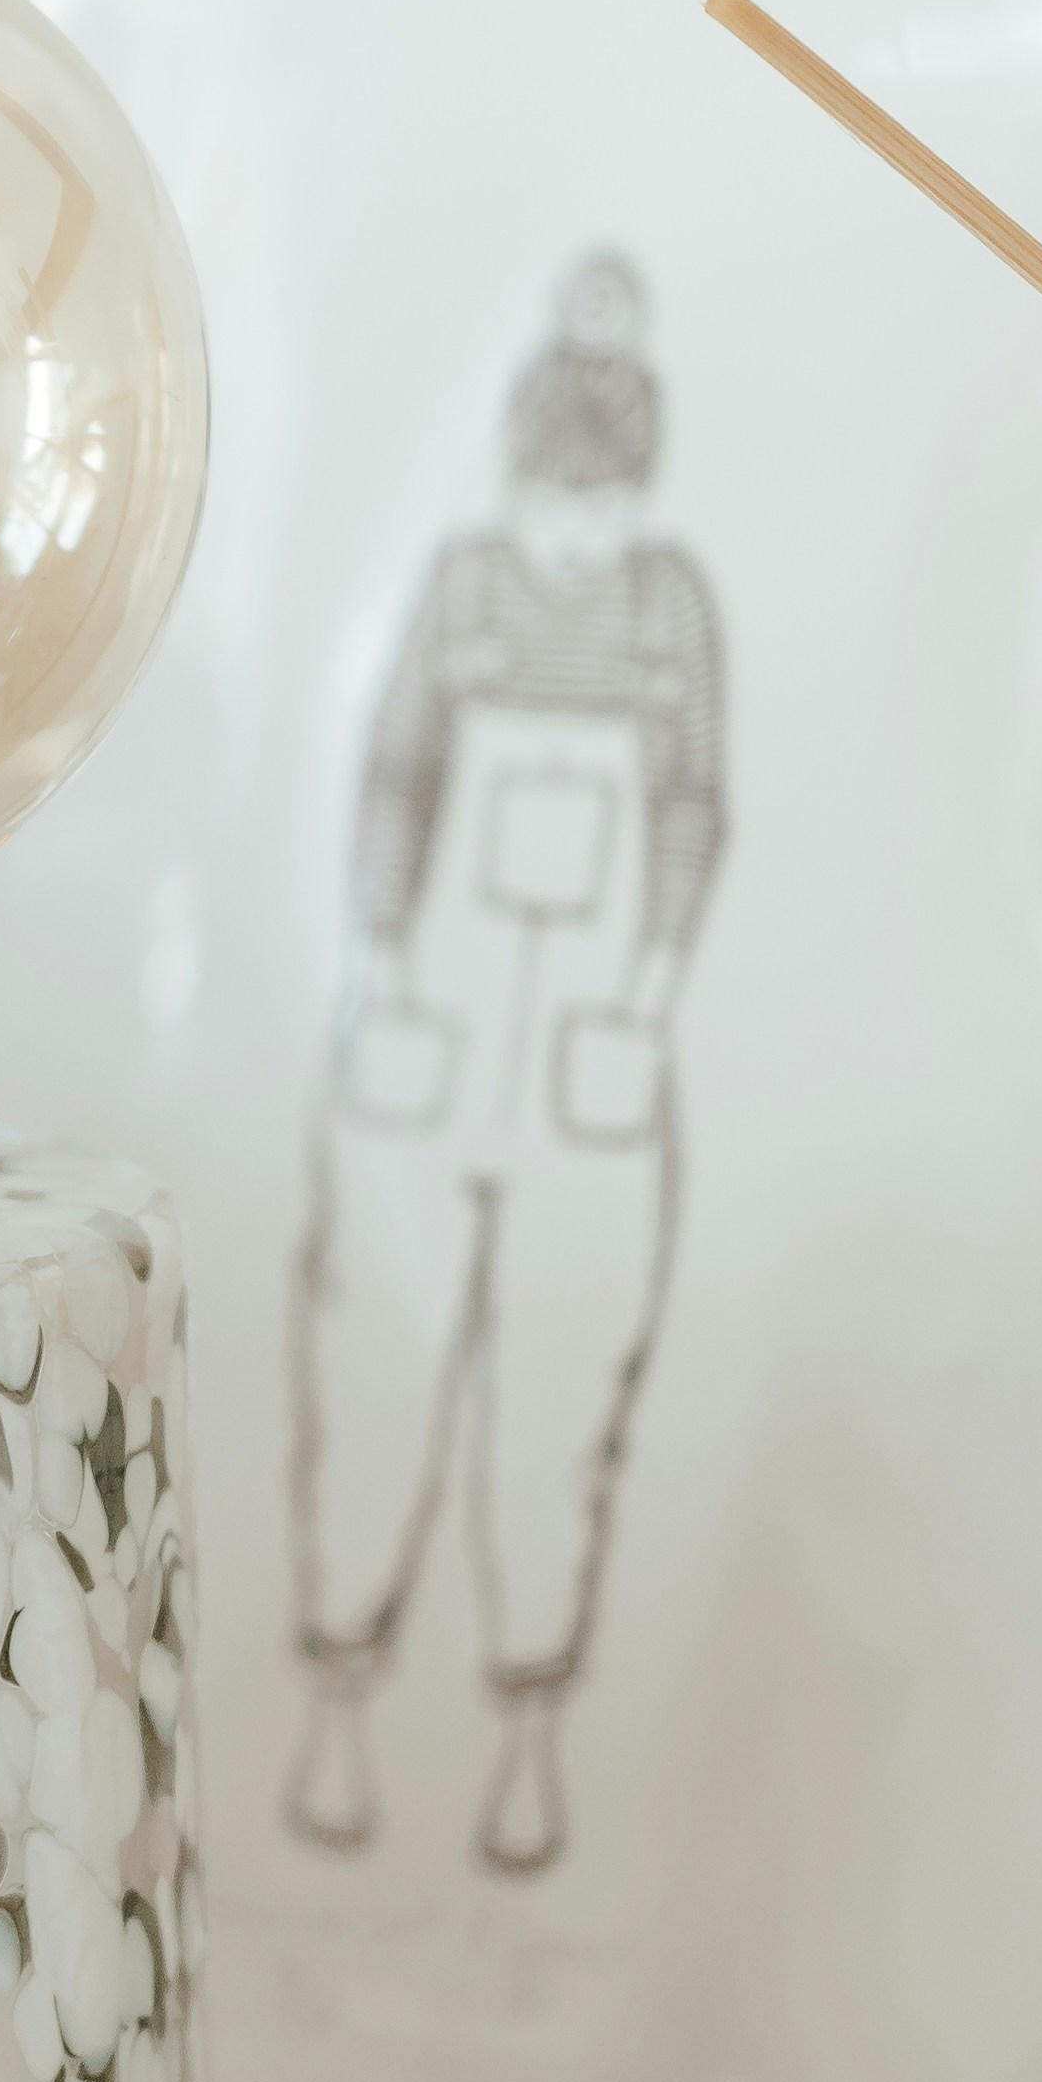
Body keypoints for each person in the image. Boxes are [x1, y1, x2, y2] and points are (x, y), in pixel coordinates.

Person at [288, 252, 726, 1872]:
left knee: (563, 1373)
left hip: (598, 1050)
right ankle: (335, 1698)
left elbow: (694, 802)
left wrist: (656, 985)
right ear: (521, 479)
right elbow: (397, 773)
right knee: (380, 1355)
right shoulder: (463, 586)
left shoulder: (673, 608)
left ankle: (530, 1726)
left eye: (610, 512)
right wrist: (386, 960)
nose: (580, 539)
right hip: (428, 1027)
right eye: (561, 504)